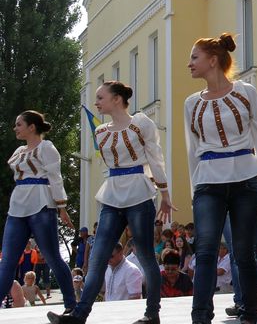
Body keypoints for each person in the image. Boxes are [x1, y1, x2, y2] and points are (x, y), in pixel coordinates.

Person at [48, 81, 175, 324]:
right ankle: (79, 314)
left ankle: (152, 313)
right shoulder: (100, 131)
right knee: (98, 257)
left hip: (138, 193)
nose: (96, 102)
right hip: (112, 195)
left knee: (146, 256)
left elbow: (155, 159)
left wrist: (165, 194)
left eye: (100, 97)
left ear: (117, 99)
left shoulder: (141, 123)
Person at [184, 33, 257, 324]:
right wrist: (194, 189)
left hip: (245, 178)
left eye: (194, 57)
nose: (189, 63)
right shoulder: (191, 103)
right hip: (208, 181)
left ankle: (249, 312)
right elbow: (192, 150)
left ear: (213, 60)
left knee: (244, 251)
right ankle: (200, 315)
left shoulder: (246, 92)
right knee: (205, 250)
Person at [0, 111, 76, 314]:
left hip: (41, 203)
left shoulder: (46, 147)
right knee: (7, 261)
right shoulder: (19, 150)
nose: (15, 128)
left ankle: (71, 305)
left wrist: (61, 207)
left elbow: (55, 177)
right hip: (18, 206)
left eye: (19, 124)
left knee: (52, 257)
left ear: (32, 127)